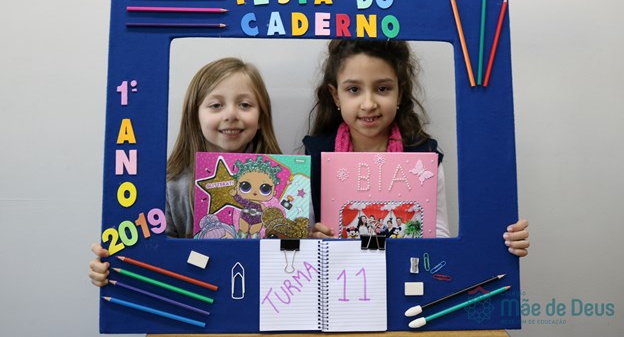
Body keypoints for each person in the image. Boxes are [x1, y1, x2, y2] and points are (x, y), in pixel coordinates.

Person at [304, 40, 529, 257]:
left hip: (409, 276)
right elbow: (302, 235)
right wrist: (311, 240)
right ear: (336, 95)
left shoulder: (423, 157)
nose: (369, 104)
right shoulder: (314, 158)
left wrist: (503, 240)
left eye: (382, 88)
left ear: (399, 93)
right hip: (338, 276)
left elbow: (438, 234)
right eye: (354, 89)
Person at [89, 57, 282, 287]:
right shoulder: (171, 186)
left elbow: (301, 247)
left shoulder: (283, 182)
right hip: (194, 298)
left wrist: (315, 240)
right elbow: (150, 256)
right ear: (195, 116)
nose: (231, 114)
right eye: (216, 105)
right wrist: (110, 267)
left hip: (269, 293)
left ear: (261, 118)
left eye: (245, 105)